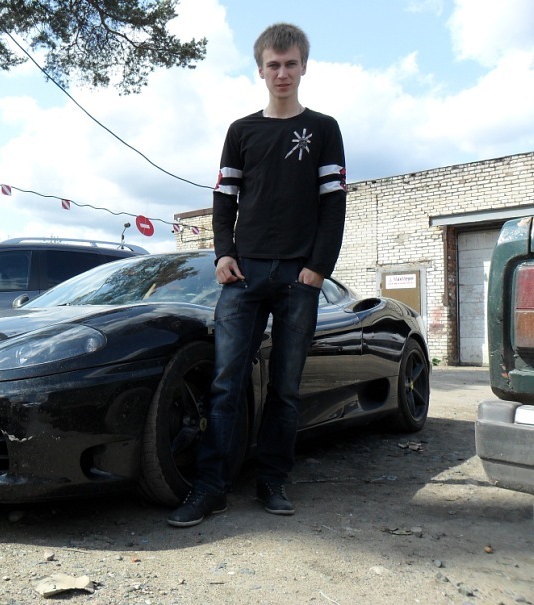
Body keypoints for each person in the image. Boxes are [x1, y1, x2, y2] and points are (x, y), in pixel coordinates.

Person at [168, 23, 347, 528]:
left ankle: (272, 479)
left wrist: (318, 269)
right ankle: (211, 488)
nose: (282, 73)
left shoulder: (324, 129)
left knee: (285, 388)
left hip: (298, 278)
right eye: (273, 64)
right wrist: (222, 253)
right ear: (260, 69)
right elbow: (223, 199)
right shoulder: (241, 131)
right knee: (226, 383)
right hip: (242, 277)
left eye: (290, 64)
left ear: (304, 66)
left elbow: (334, 205)